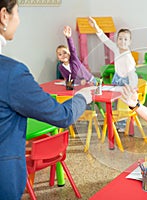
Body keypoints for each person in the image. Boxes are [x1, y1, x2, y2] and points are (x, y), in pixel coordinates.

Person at [0, 1, 96, 199]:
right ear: (4, 16)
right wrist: (81, 98)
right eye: (17, 13)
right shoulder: (12, 73)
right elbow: (62, 116)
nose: (18, 20)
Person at [88, 17, 138, 89]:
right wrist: (96, 27)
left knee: (121, 98)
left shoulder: (128, 57)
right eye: (120, 39)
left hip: (126, 81)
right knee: (113, 96)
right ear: (117, 40)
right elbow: (105, 40)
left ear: (130, 42)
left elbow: (132, 74)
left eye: (126, 39)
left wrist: (132, 88)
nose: (122, 41)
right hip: (116, 77)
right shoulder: (116, 49)